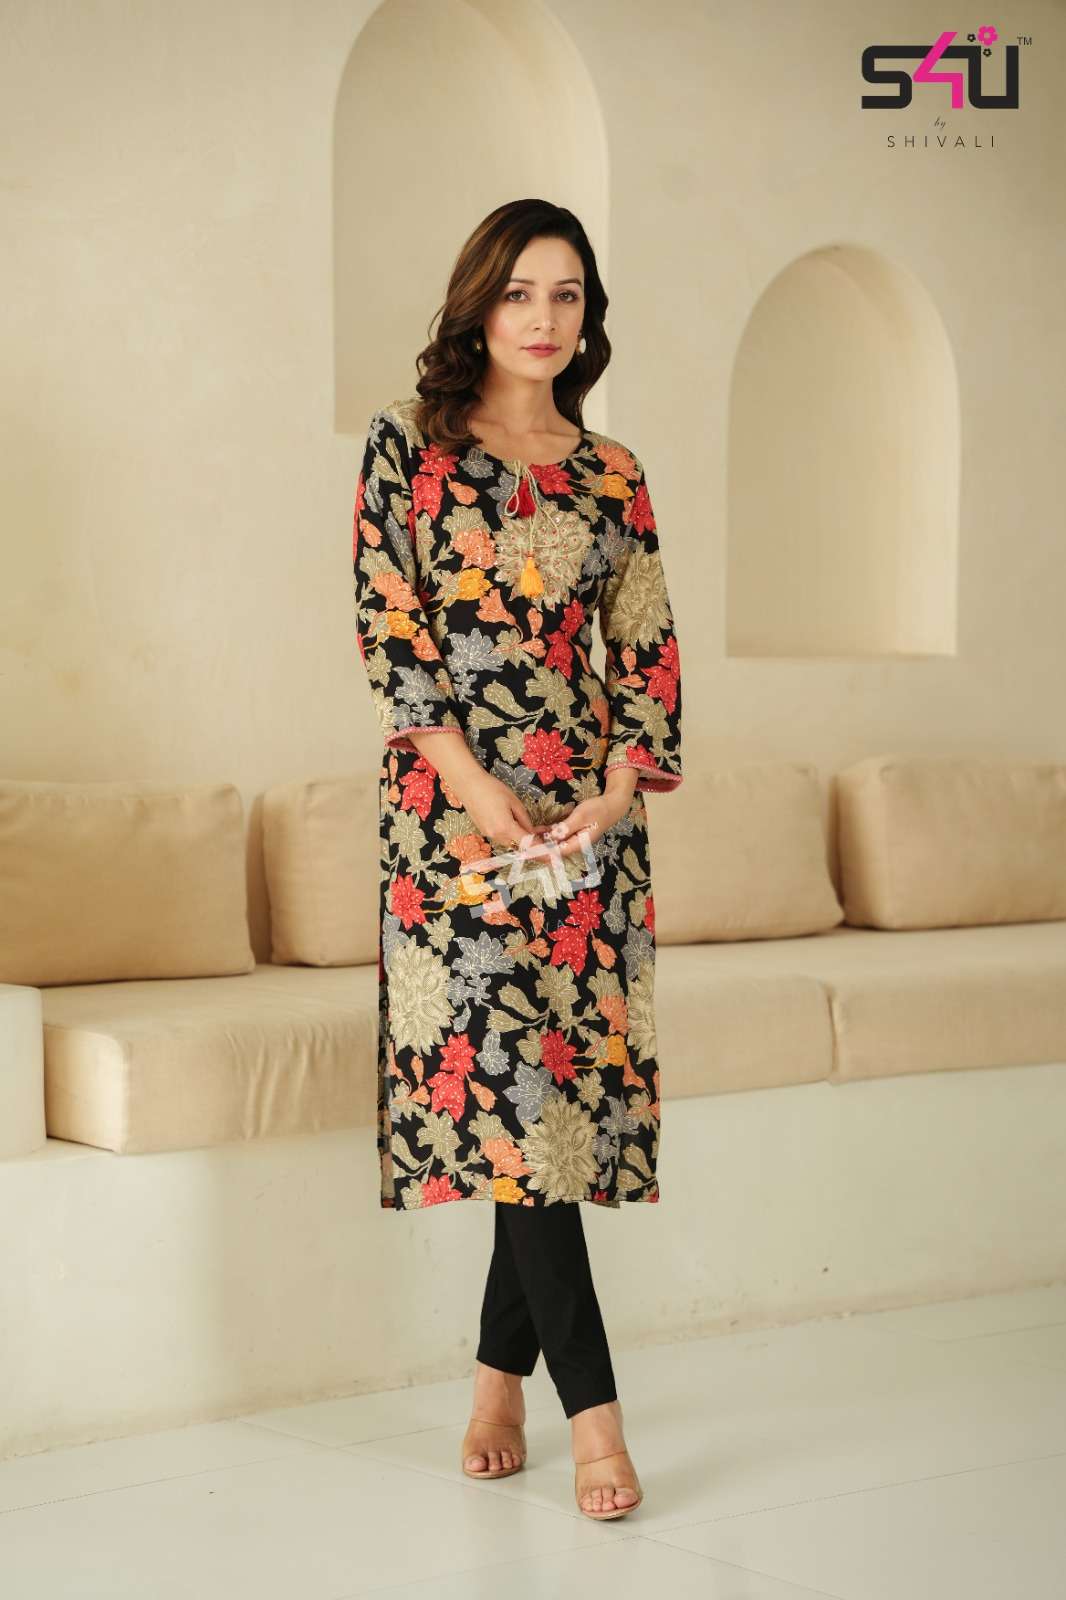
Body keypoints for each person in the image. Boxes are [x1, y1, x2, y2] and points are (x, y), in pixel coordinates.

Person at [352, 199, 683, 1520]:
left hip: (583, 827)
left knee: (538, 1111)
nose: (545, 318)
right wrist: (474, 787)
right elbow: (391, 630)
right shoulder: (410, 450)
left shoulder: (613, 473)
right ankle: (597, 1424)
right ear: (478, 303)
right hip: (455, 824)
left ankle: (498, 1387)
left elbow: (644, 642)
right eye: (520, 292)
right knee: (517, 1098)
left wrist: (616, 791)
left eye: (568, 294)